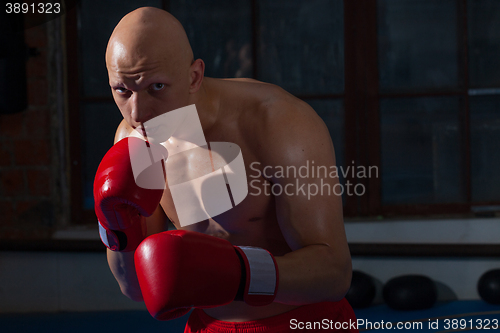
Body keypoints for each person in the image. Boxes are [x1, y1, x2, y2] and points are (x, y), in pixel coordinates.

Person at [98, 6, 357, 333]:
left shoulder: (275, 122)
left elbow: (335, 274)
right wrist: (115, 227)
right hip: (208, 325)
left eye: (157, 87)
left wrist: (239, 274)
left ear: (194, 76)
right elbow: (135, 288)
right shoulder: (132, 141)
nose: (138, 113)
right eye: (122, 90)